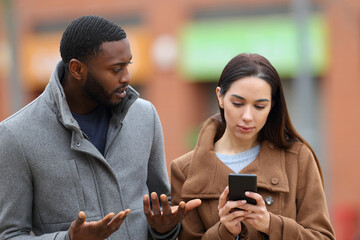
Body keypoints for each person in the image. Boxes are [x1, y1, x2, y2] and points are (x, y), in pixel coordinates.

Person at [0, 15, 200, 240]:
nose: (127, 77)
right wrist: (68, 239)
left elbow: (161, 207)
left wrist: (164, 228)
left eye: (127, 65)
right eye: (116, 69)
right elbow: (9, 235)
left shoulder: (145, 116)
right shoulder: (16, 135)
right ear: (77, 69)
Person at [170, 53, 336, 239]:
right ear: (220, 97)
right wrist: (224, 232)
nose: (248, 116)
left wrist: (270, 224)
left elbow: (323, 236)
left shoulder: (297, 159)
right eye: (238, 103)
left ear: (272, 106)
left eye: (259, 106)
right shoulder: (185, 170)